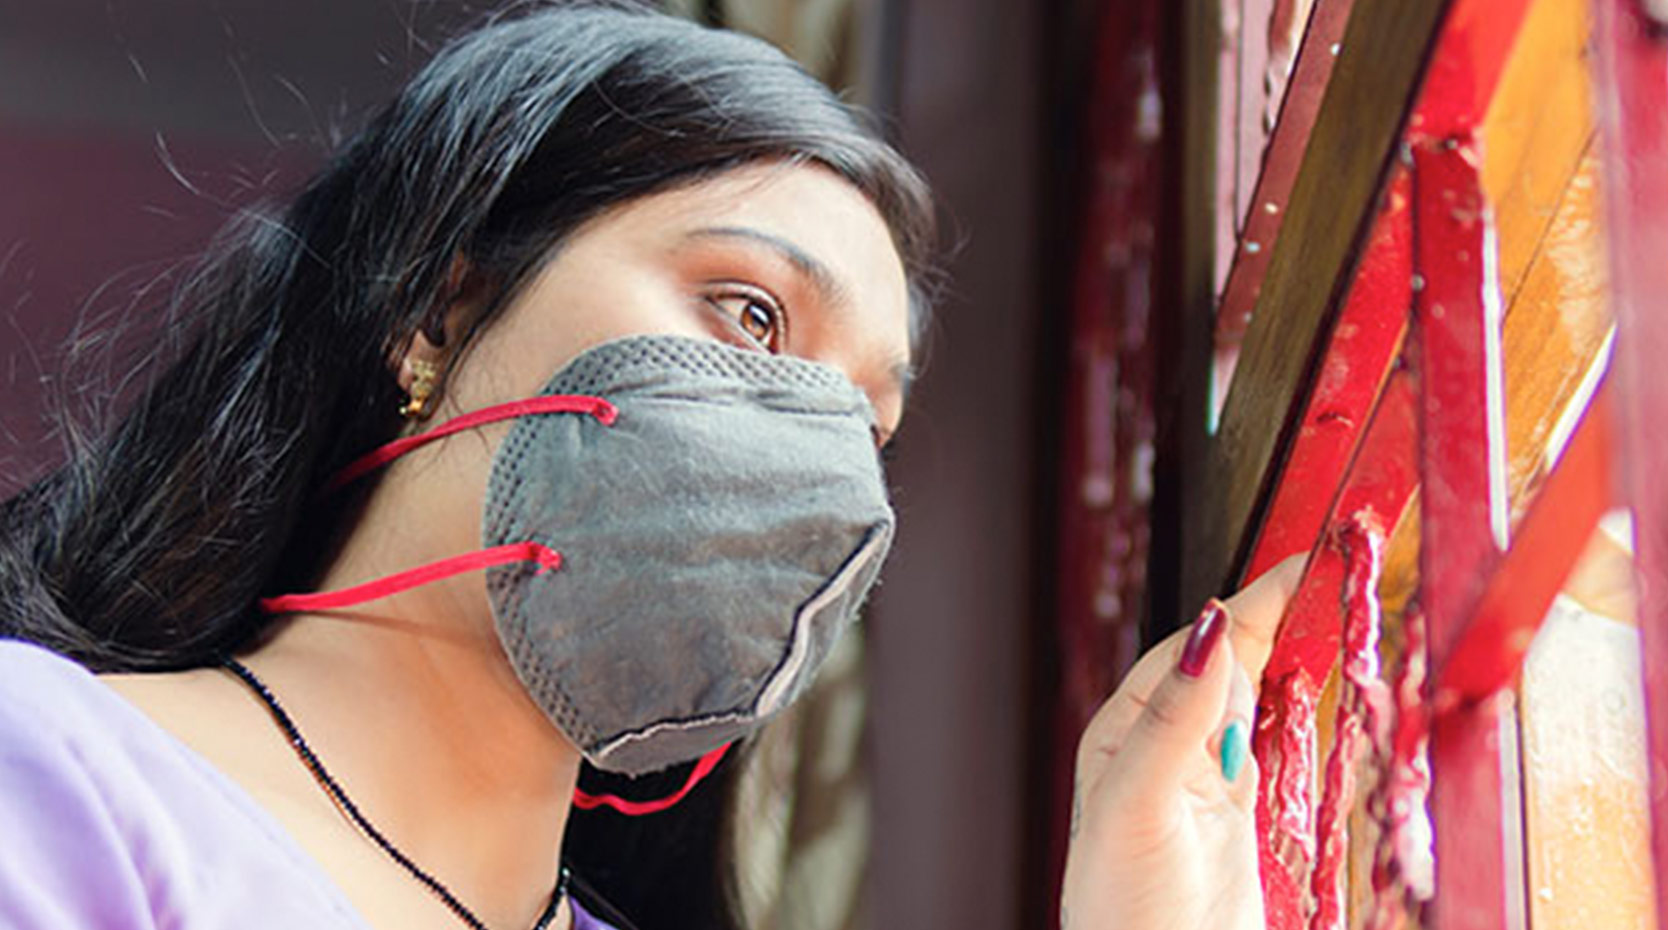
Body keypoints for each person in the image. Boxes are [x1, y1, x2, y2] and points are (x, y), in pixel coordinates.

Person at [0, 4, 1291, 929]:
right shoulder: (55, 772)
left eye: (869, 426)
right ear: (440, 311)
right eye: (751, 316)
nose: (822, 461)